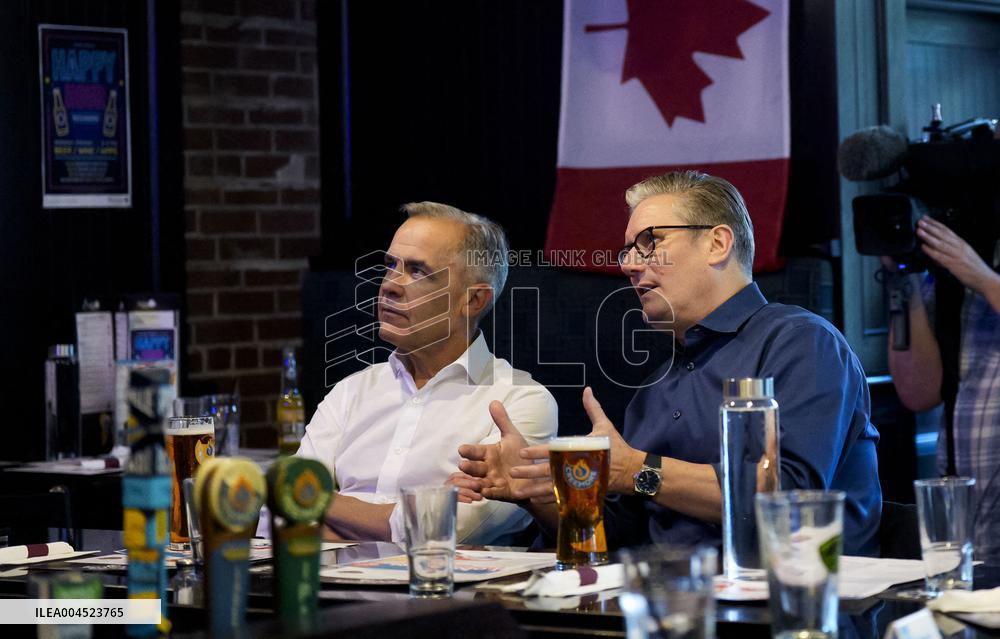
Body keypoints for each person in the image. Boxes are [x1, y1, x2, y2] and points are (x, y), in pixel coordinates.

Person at [455, 170, 882, 555]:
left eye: (649, 243)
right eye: (627, 251)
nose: (629, 266)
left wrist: (638, 469)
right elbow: (616, 537)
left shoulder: (800, 342)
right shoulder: (654, 387)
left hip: (793, 606)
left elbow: (788, 499)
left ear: (717, 243)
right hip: (671, 603)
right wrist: (539, 492)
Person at [297, 202, 558, 545]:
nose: (389, 285)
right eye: (390, 266)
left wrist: (316, 504)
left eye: (418, 271)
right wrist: (413, 513)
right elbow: (278, 517)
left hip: (447, 596)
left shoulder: (519, 402)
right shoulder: (350, 392)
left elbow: (446, 530)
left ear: (474, 301)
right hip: (330, 595)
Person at [886, 216, 1000, 563]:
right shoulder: (948, 272)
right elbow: (917, 392)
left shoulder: (971, 266)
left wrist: (982, 278)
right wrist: (900, 277)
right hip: (967, 526)